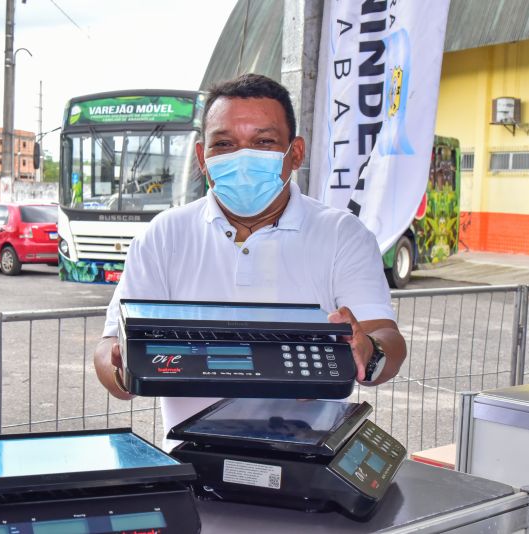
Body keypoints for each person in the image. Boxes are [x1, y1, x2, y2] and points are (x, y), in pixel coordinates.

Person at [93, 73, 407, 448]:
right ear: (201, 158)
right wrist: (120, 371)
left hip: (306, 459)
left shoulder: (342, 234)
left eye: (263, 142)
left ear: (296, 153)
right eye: (224, 144)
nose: (242, 158)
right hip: (192, 459)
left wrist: (369, 353)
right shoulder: (164, 234)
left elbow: (387, 338)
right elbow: (109, 345)